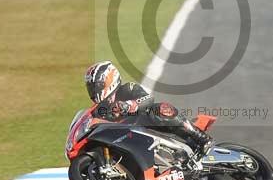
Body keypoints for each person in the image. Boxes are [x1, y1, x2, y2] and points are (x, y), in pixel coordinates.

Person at [84, 60, 213, 158]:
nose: (93, 90)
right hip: (126, 141)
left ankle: (201, 138)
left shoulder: (128, 89)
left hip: (146, 126)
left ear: (109, 80)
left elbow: (147, 99)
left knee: (160, 109)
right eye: (91, 87)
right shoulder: (99, 109)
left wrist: (128, 105)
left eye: (96, 86)